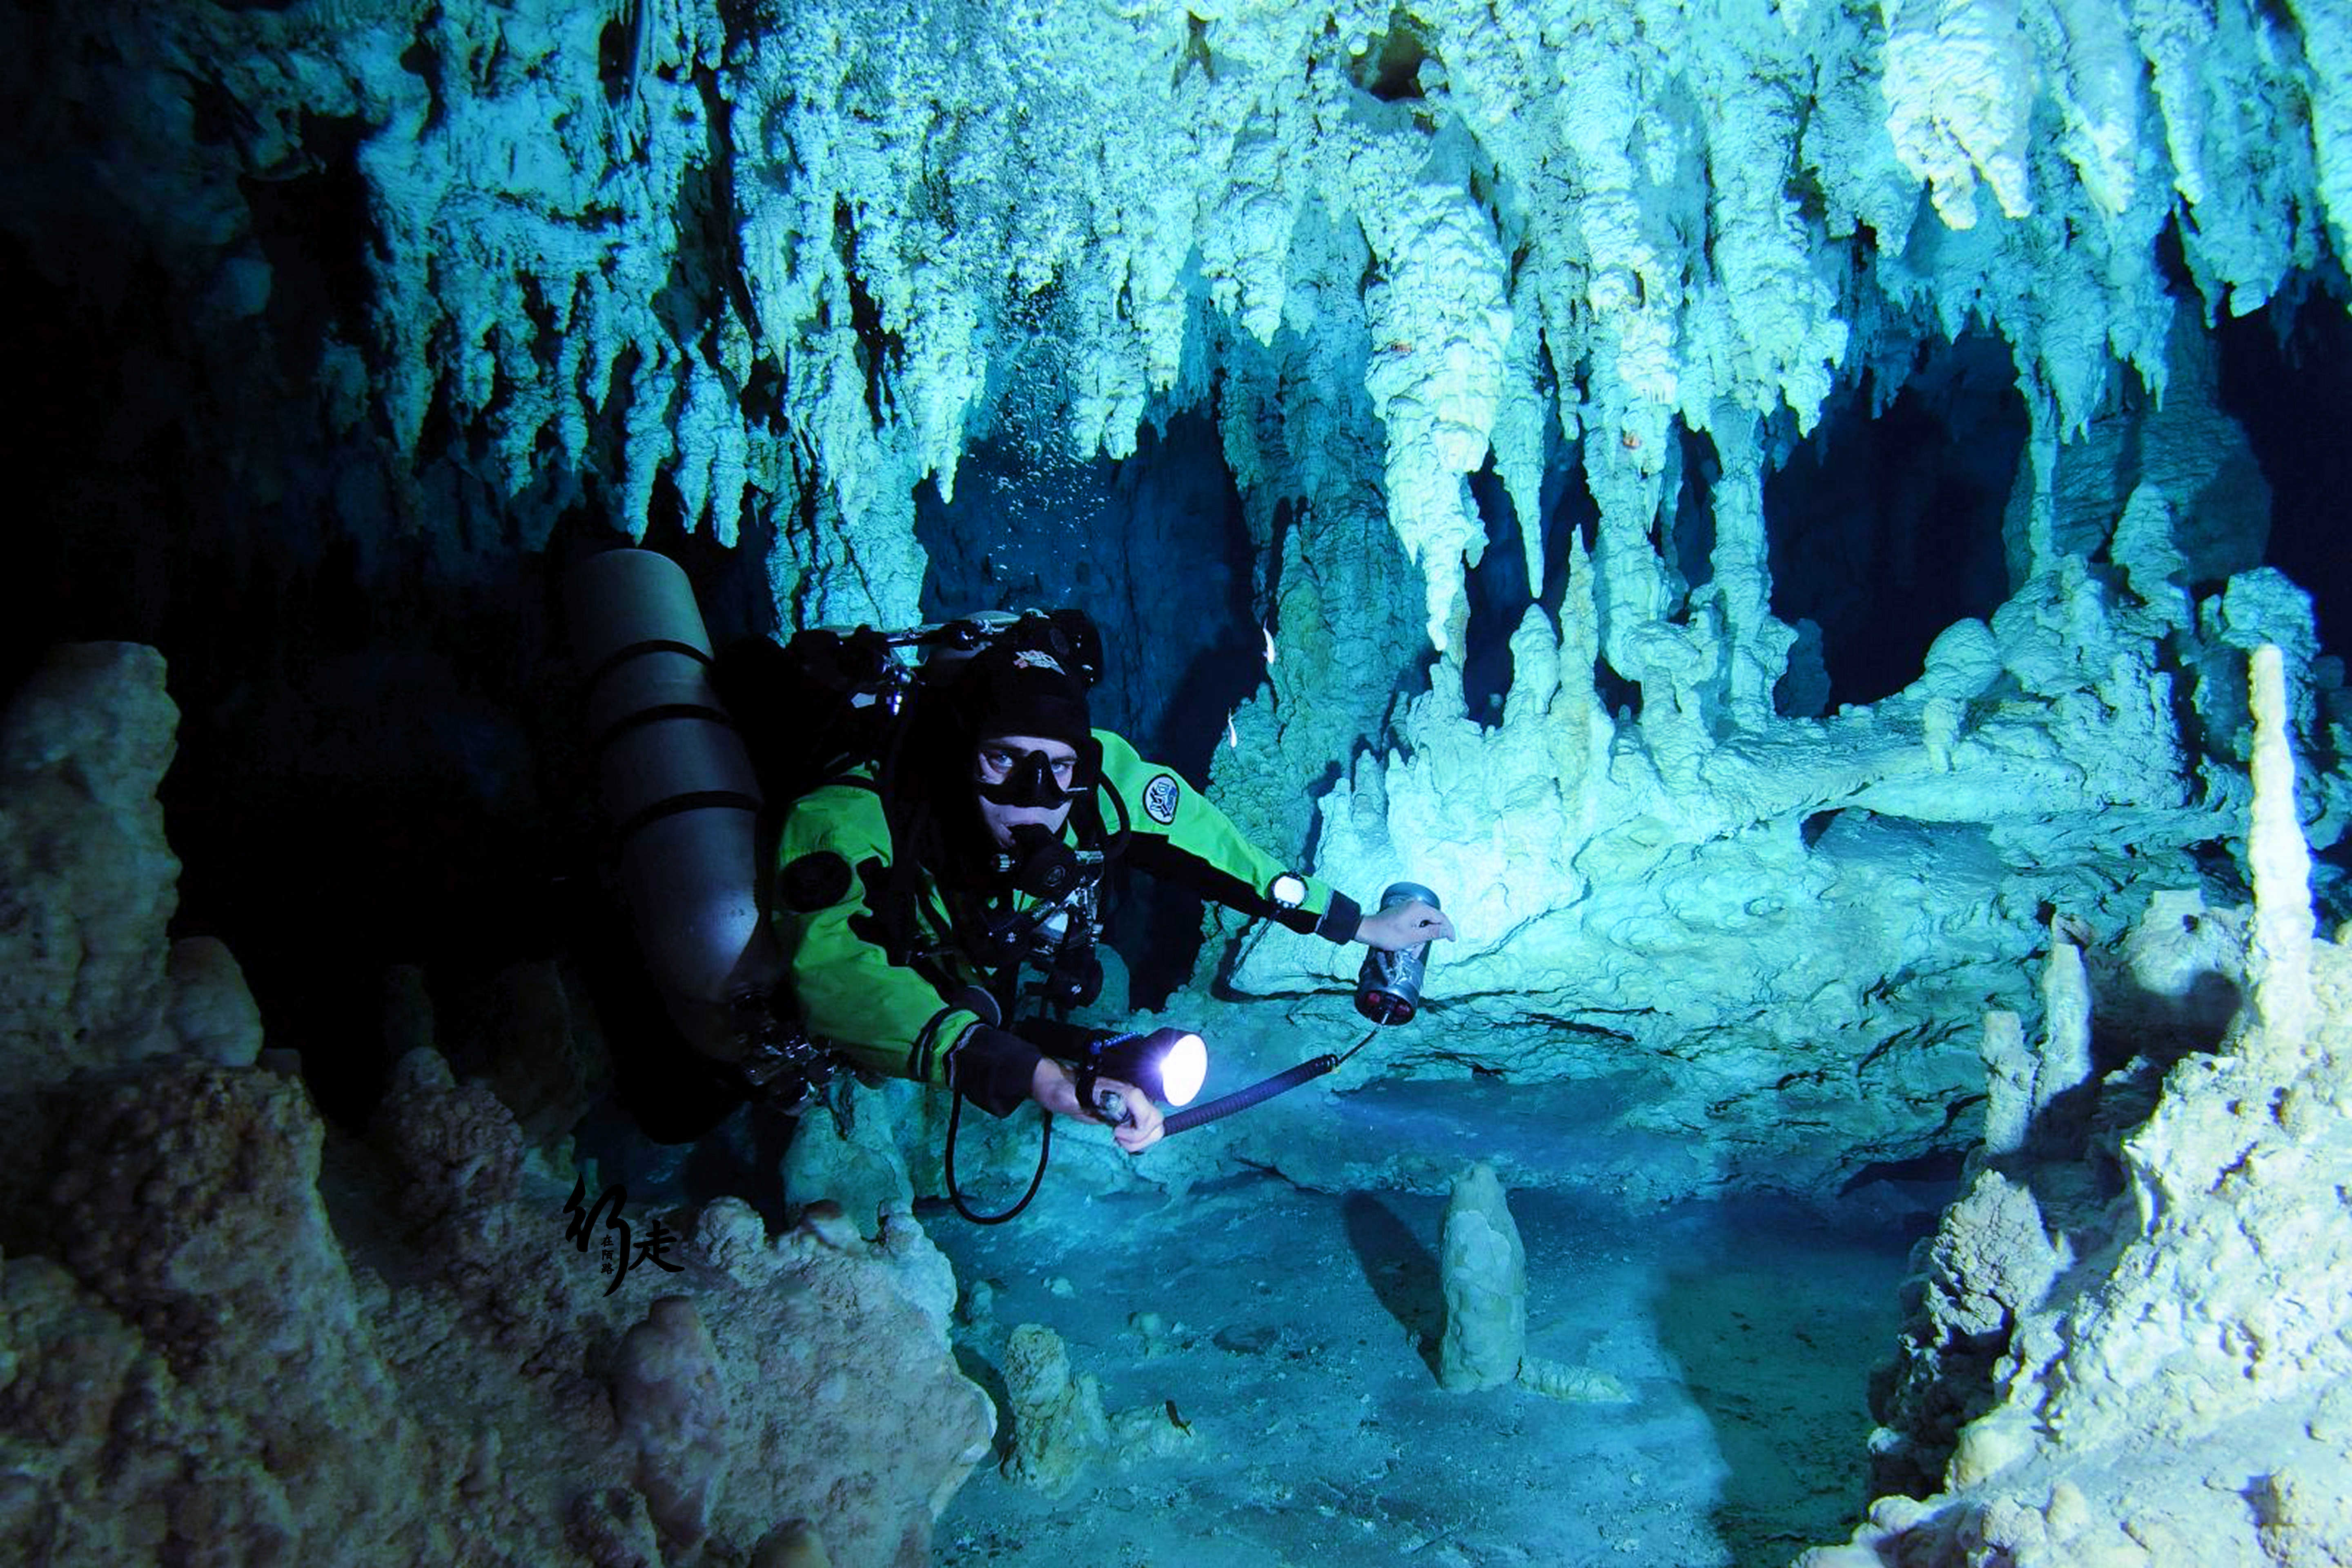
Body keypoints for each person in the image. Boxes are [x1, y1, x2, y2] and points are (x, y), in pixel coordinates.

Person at [769, 623, 1454, 1154]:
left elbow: (1222, 853)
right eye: (1003, 759)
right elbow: (836, 971)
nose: (1034, 797)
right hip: (870, 985)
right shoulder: (857, 808)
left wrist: (1361, 926)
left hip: (975, 976)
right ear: (960, 755)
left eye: (1059, 767)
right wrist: (1038, 1077)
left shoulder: (1103, 787)